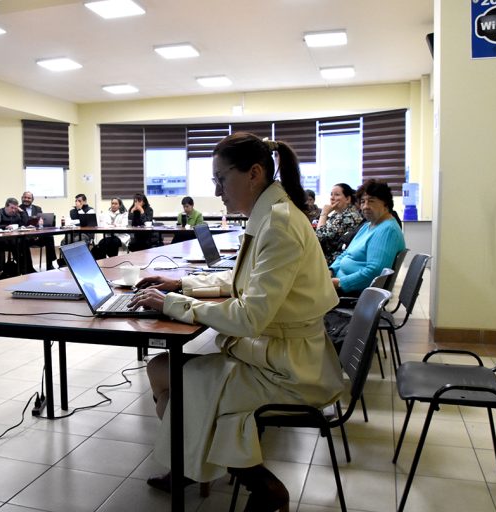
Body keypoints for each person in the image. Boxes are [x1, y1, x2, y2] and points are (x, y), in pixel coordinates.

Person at [131, 133, 343, 511]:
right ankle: (189, 461)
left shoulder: (279, 223)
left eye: (221, 179)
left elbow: (249, 317)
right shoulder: (271, 215)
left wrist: (175, 305)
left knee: (169, 376)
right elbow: (244, 281)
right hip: (279, 354)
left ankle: (262, 485)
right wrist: (181, 285)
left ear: (254, 173)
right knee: (161, 369)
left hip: (290, 370)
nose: (218, 191)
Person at [329, 179, 406, 296]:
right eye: (362, 202)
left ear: (386, 204)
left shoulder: (387, 230)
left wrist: (339, 283)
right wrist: (331, 270)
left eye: (371, 201)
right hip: (339, 283)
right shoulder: (368, 225)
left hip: (354, 292)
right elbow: (346, 253)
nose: (365, 206)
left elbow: (374, 272)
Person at [315, 183, 364, 265]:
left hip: (336, 262)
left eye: (337, 195)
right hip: (328, 257)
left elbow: (319, 237)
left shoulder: (349, 216)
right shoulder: (338, 214)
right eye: (331, 194)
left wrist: (324, 214)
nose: (332, 198)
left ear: (348, 199)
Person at [0, 197, 34, 275]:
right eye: (12, 208)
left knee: (24, 243)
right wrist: (5, 227)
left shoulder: (16, 214)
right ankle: (22, 268)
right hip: (2, 240)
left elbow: (25, 222)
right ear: (6, 206)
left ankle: (29, 268)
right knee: (16, 244)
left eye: (15, 208)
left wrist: (22, 212)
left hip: (15, 238)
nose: (13, 210)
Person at [21, 191, 56, 270]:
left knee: (49, 237)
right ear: (22, 198)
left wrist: (41, 224)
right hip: (26, 238)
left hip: (38, 236)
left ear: (32, 200)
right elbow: (22, 223)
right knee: (23, 242)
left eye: (29, 198)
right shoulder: (19, 209)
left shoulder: (37, 208)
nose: (26, 199)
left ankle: (49, 264)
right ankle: (29, 268)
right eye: (25, 197)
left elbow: (41, 221)